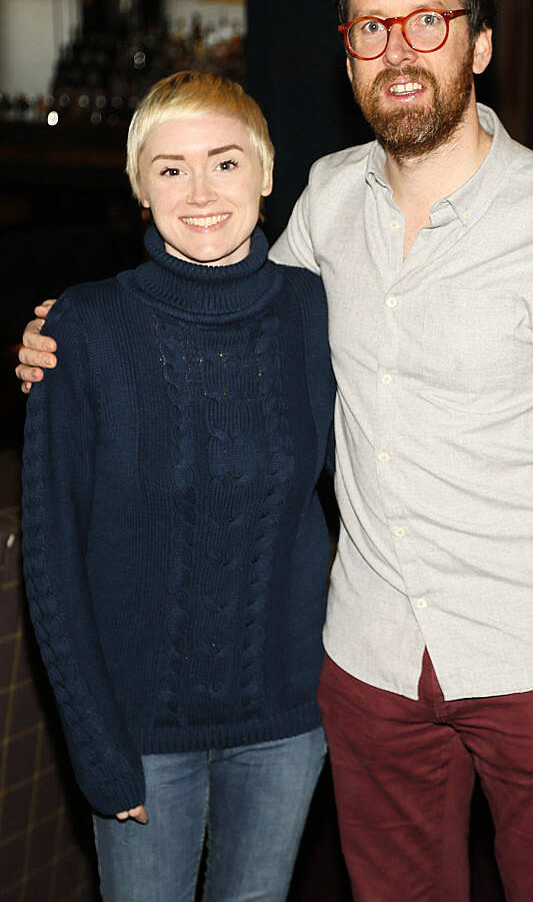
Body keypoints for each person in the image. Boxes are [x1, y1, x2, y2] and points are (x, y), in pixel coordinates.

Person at [18, 0, 533, 902]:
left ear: (479, 45)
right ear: (347, 54)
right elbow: (227, 313)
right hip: (365, 663)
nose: (397, 50)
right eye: (370, 29)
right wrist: (65, 333)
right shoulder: (328, 199)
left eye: (426, 20)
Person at [20, 71, 334, 902]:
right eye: (170, 169)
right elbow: (49, 557)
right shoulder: (80, 330)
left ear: (267, 176)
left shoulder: (316, 313)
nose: (200, 192)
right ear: (138, 189)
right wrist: (94, 744)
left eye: (225, 163)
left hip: (287, 727)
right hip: (139, 733)